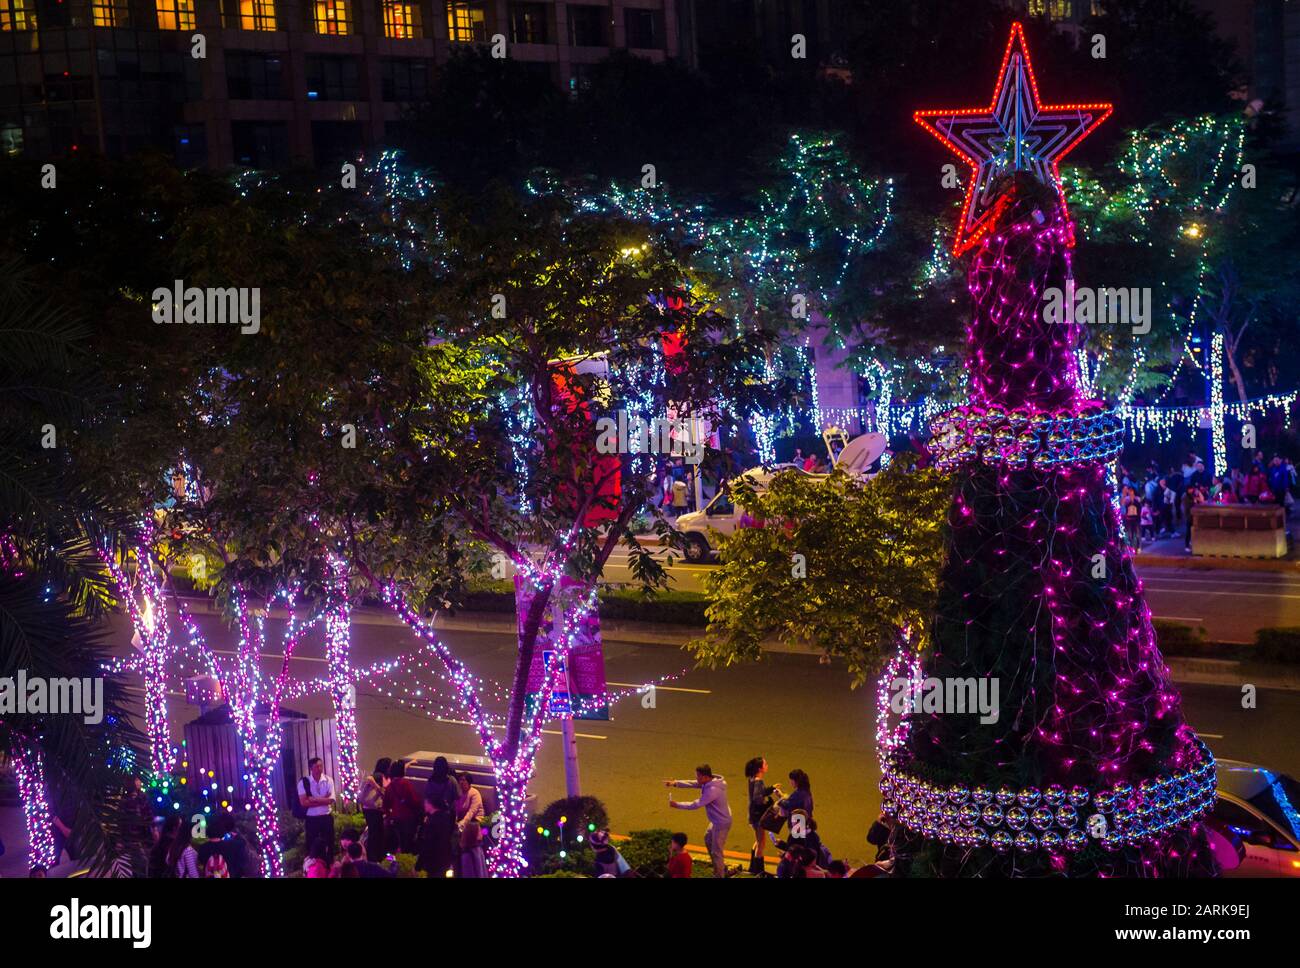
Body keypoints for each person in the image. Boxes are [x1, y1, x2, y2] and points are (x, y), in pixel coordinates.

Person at [666, 764, 732, 878]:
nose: (697, 779)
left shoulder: (712, 790)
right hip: (716, 820)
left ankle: (719, 874)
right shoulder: (710, 782)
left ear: (706, 777)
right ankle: (719, 866)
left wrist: (677, 805)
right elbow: (693, 783)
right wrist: (675, 783)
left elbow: (696, 804)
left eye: (698, 777)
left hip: (721, 822)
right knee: (708, 839)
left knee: (716, 852)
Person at [744, 756, 778, 875]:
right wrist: (768, 803)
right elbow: (758, 798)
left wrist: (770, 789)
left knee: (758, 841)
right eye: (765, 764)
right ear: (760, 768)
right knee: (761, 843)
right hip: (758, 816)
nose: (767, 766)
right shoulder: (758, 780)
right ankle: (758, 870)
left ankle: (752, 867)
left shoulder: (752, 779)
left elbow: (759, 793)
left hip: (753, 814)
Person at [299, 756, 336, 862]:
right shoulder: (304, 782)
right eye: (316, 767)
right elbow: (304, 803)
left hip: (326, 816)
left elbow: (331, 800)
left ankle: (329, 865)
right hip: (312, 818)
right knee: (311, 844)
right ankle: (313, 868)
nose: (319, 768)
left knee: (329, 842)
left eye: (321, 766)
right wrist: (323, 800)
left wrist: (313, 799)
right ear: (311, 768)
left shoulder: (328, 780)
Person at [383, 758, 421, 853]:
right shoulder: (405, 783)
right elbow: (415, 800)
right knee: (407, 842)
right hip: (408, 818)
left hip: (396, 818)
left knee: (398, 842)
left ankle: (397, 860)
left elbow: (386, 805)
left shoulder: (390, 786)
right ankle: (406, 860)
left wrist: (389, 817)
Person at [197, 813, 249, 879]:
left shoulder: (203, 847)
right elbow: (240, 863)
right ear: (222, 832)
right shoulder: (231, 846)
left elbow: (201, 862)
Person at [415, 795, 455, 879]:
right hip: (444, 857)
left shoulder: (432, 822)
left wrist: (418, 865)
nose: (424, 805)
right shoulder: (446, 817)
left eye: (426, 802)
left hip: (433, 860)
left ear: (431, 804)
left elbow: (428, 844)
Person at [359, 757, 390, 861]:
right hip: (374, 809)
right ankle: (375, 857)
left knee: (374, 832)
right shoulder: (379, 776)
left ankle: (373, 856)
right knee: (376, 833)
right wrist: (378, 787)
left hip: (367, 808)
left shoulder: (375, 775)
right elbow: (384, 792)